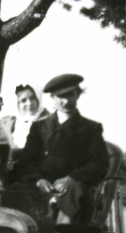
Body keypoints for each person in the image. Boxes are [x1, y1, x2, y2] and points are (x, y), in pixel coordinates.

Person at [11, 73, 109, 224]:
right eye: (61, 96)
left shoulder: (90, 128)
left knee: (72, 194)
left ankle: (60, 232)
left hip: (74, 187)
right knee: (14, 191)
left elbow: (100, 163)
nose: (66, 101)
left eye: (71, 95)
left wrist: (71, 178)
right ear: (53, 98)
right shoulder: (39, 127)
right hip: (42, 185)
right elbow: (26, 160)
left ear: (78, 95)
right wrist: (38, 179)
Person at [0, 84, 50, 162]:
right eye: (23, 100)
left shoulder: (50, 121)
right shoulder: (5, 122)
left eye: (33, 98)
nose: (29, 103)